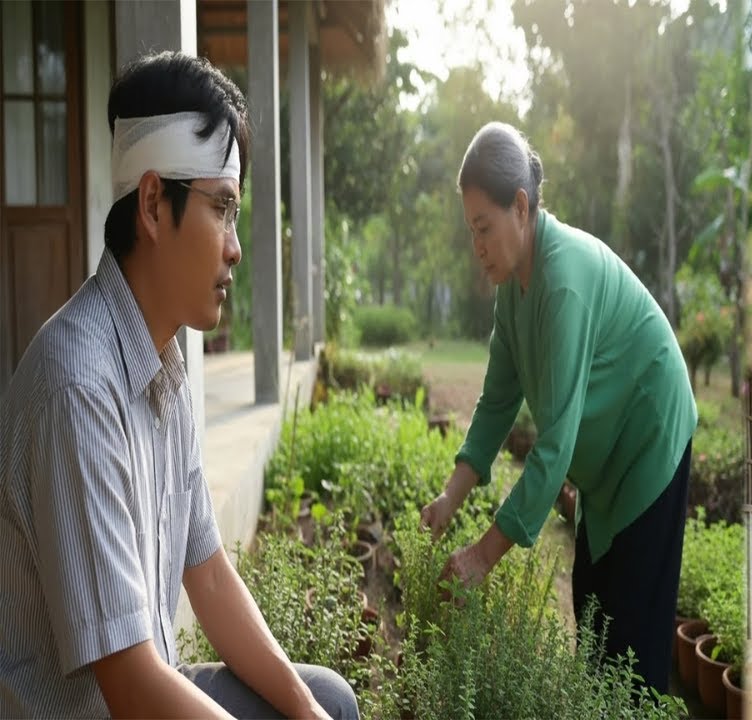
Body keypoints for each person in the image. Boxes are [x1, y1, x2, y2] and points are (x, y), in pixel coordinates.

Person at [0, 52, 356, 718]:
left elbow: (209, 574)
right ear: (154, 205)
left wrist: (303, 708)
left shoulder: (162, 362)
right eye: (223, 208)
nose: (235, 247)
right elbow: (133, 687)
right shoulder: (76, 386)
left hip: (142, 686)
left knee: (327, 700)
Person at [418, 122, 698, 693]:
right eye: (471, 232)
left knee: (631, 637)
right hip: (608, 463)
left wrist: (481, 557)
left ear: (521, 207)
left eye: (484, 228)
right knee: (593, 609)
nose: (477, 247)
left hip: (650, 440)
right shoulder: (513, 289)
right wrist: (451, 496)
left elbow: (555, 445)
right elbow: (497, 401)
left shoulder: (563, 280)